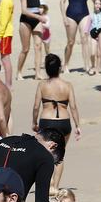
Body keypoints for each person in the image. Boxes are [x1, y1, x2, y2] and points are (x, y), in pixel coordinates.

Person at [32, 53, 82, 193]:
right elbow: (73, 107)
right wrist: (78, 125)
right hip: (63, 122)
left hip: (46, 120)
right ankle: (55, 186)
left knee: (45, 154)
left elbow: (36, 106)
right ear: (59, 68)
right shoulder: (67, 85)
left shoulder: (42, 85)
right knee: (59, 155)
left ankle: (48, 182)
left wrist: (34, 122)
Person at [61, 0, 96, 73]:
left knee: (85, 38)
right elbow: (61, 1)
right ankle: (66, 64)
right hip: (70, 15)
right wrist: (64, 17)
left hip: (85, 15)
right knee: (70, 42)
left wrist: (98, 14)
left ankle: (87, 66)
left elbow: (95, 0)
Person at [17, 0, 45, 80]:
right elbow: (24, 11)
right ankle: (19, 72)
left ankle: (37, 73)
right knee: (25, 49)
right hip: (25, 21)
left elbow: (38, 6)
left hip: (37, 20)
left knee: (38, 46)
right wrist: (38, 17)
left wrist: (41, 10)